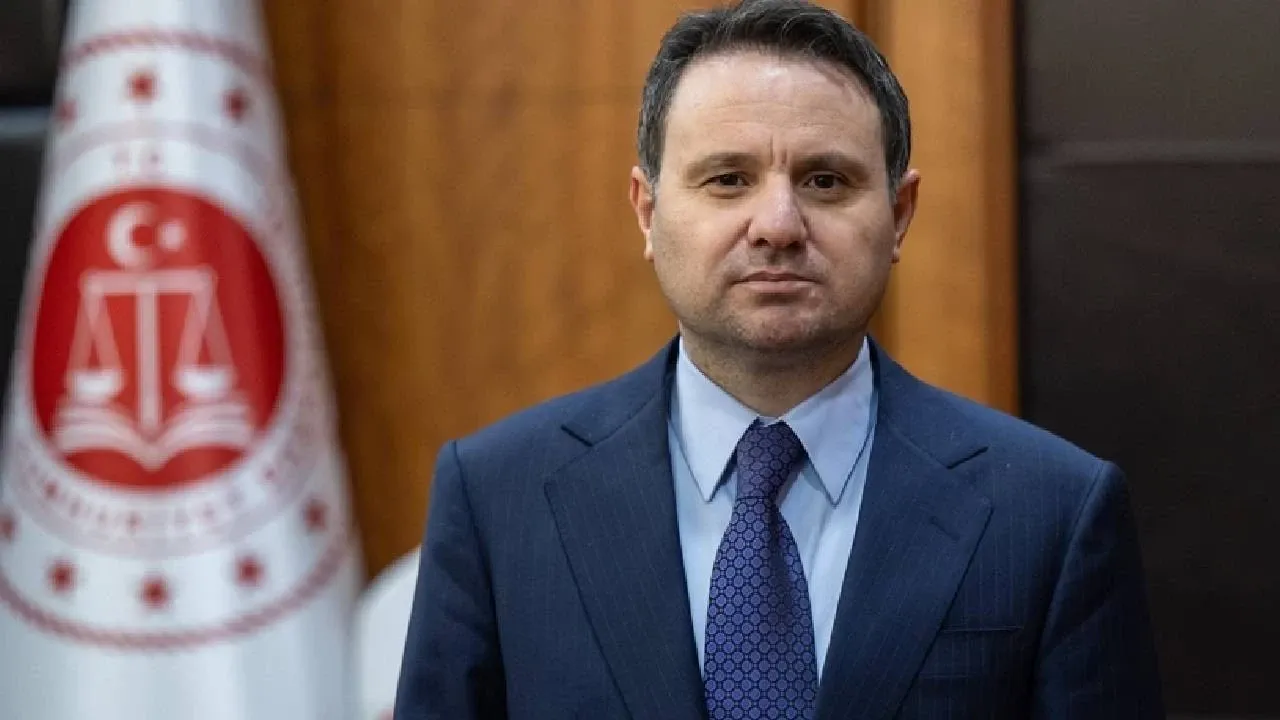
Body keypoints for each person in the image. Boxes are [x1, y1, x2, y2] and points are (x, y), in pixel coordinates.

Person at [393, 0, 1165, 717]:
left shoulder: (1052, 512)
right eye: (728, 180)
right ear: (649, 211)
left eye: (825, 181)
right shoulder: (497, 497)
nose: (778, 225)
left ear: (899, 214)